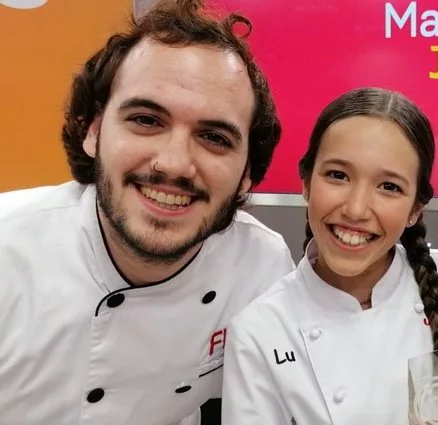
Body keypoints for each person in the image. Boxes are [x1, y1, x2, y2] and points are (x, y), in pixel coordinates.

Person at [0, 1, 295, 424]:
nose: (174, 164)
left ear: (247, 173)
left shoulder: (260, 267)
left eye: (214, 137)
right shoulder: (8, 251)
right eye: (146, 120)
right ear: (94, 131)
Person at [219, 87, 438, 425]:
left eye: (389, 187)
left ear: (415, 209)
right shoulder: (257, 330)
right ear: (307, 184)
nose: (356, 210)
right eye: (338, 175)